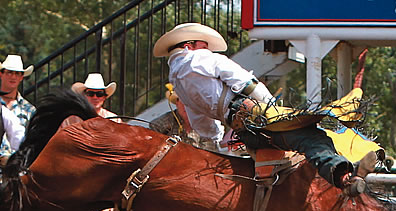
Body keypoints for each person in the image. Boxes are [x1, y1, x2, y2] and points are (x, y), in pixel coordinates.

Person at [153, 23, 373, 194]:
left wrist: (221, 142)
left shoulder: (179, 84)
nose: (207, 49)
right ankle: (344, 176)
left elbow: (204, 126)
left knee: (295, 140)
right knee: (312, 137)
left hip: (244, 131)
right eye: (203, 45)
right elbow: (242, 80)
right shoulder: (199, 57)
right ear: (188, 46)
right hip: (256, 115)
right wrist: (271, 106)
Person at [0, 54, 36, 128]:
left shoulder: (29, 109)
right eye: (9, 72)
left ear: (21, 77)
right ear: (0, 74)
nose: (13, 77)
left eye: (17, 73)